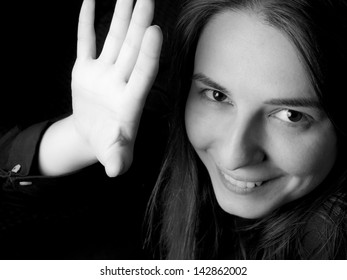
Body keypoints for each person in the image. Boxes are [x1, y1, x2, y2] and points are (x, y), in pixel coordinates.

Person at [1, 0, 347, 259]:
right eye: (217, 95)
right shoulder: (155, 136)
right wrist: (76, 137)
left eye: (291, 115)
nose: (234, 155)